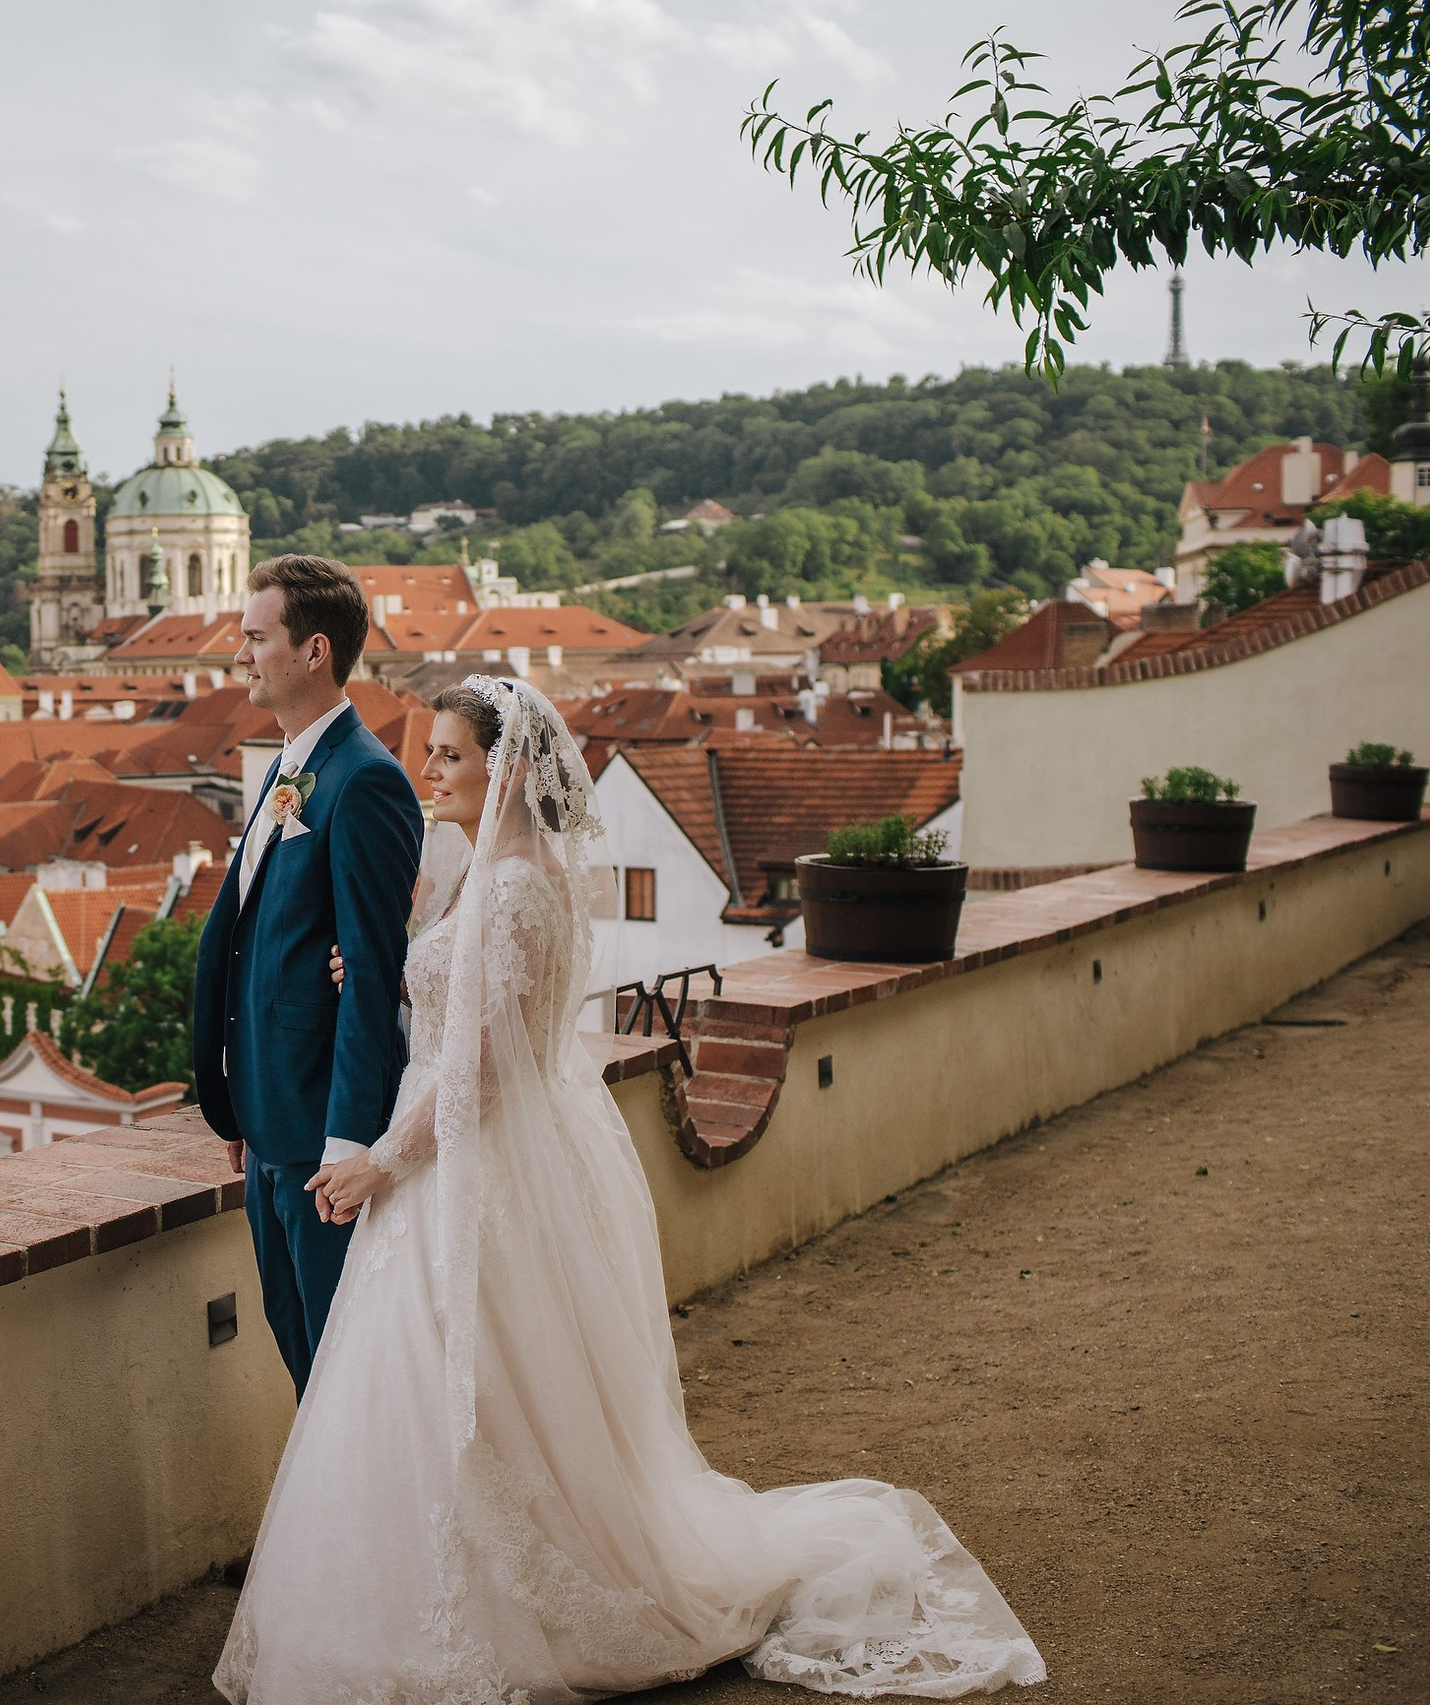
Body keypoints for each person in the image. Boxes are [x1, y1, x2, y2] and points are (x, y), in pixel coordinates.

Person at [217, 676, 1047, 1701]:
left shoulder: (518, 883)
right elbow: (463, 1003)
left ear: (507, 766)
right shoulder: (495, 868)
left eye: (447, 756)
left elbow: (482, 1064)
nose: (427, 771)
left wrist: (381, 1159)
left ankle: (523, 1601)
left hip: (466, 1155)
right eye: (429, 753)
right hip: (475, 1146)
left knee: (480, 1383)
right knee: (465, 1389)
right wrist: (386, 978)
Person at [192, 554, 422, 1399]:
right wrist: (244, 1101)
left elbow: (368, 970)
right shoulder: (291, 765)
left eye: (256, 638)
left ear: (313, 650)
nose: (241, 655)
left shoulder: (365, 781)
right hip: (269, 1123)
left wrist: (349, 1140)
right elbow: (259, 944)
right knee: (303, 1357)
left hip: (324, 1137)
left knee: (345, 1372)